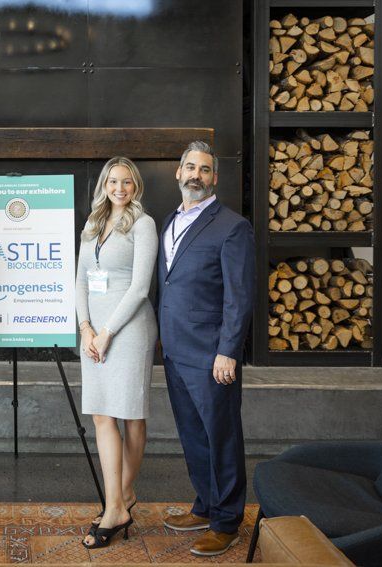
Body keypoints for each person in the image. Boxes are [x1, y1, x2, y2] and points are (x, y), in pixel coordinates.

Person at [157, 141, 255, 557]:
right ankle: (205, 506)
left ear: (214, 177)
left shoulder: (232, 226)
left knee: (221, 437)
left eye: (205, 169)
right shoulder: (169, 220)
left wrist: (228, 351)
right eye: (190, 167)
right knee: (193, 435)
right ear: (178, 173)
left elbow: (239, 296)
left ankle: (227, 521)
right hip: (175, 350)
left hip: (212, 354)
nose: (196, 175)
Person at [75, 157, 158, 548]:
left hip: (128, 330)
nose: (120, 188)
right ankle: (116, 504)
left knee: (131, 415)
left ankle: (120, 499)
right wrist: (86, 328)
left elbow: (140, 287)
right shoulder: (92, 224)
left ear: (135, 186)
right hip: (93, 333)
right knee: (101, 415)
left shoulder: (143, 224)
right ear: (104, 185)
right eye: (113, 181)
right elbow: (80, 281)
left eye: (127, 182)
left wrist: (107, 332)